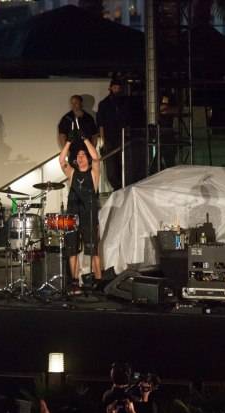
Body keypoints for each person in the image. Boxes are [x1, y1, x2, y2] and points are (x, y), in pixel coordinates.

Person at [59, 132, 102, 293]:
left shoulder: (93, 173)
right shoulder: (71, 173)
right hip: (72, 215)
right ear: (76, 159)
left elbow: (96, 158)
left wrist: (85, 139)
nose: (81, 157)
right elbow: (61, 160)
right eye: (79, 155)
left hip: (88, 216)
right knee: (72, 250)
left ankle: (98, 281)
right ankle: (75, 281)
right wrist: (69, 142)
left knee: (93, 250)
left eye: (84, 154)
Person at [97, 79, 131, 190]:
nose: (116, 90)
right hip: (109, 139)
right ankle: (117, 188)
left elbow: (127, 121)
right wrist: (103, 140)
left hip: (122, 138)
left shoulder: (124, 102)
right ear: (110, 88)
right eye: (114, 87)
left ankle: (122, 187)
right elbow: (101, 123)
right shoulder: (104, 104)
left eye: (118, 88)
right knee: (111, 168)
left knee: (123, 165)